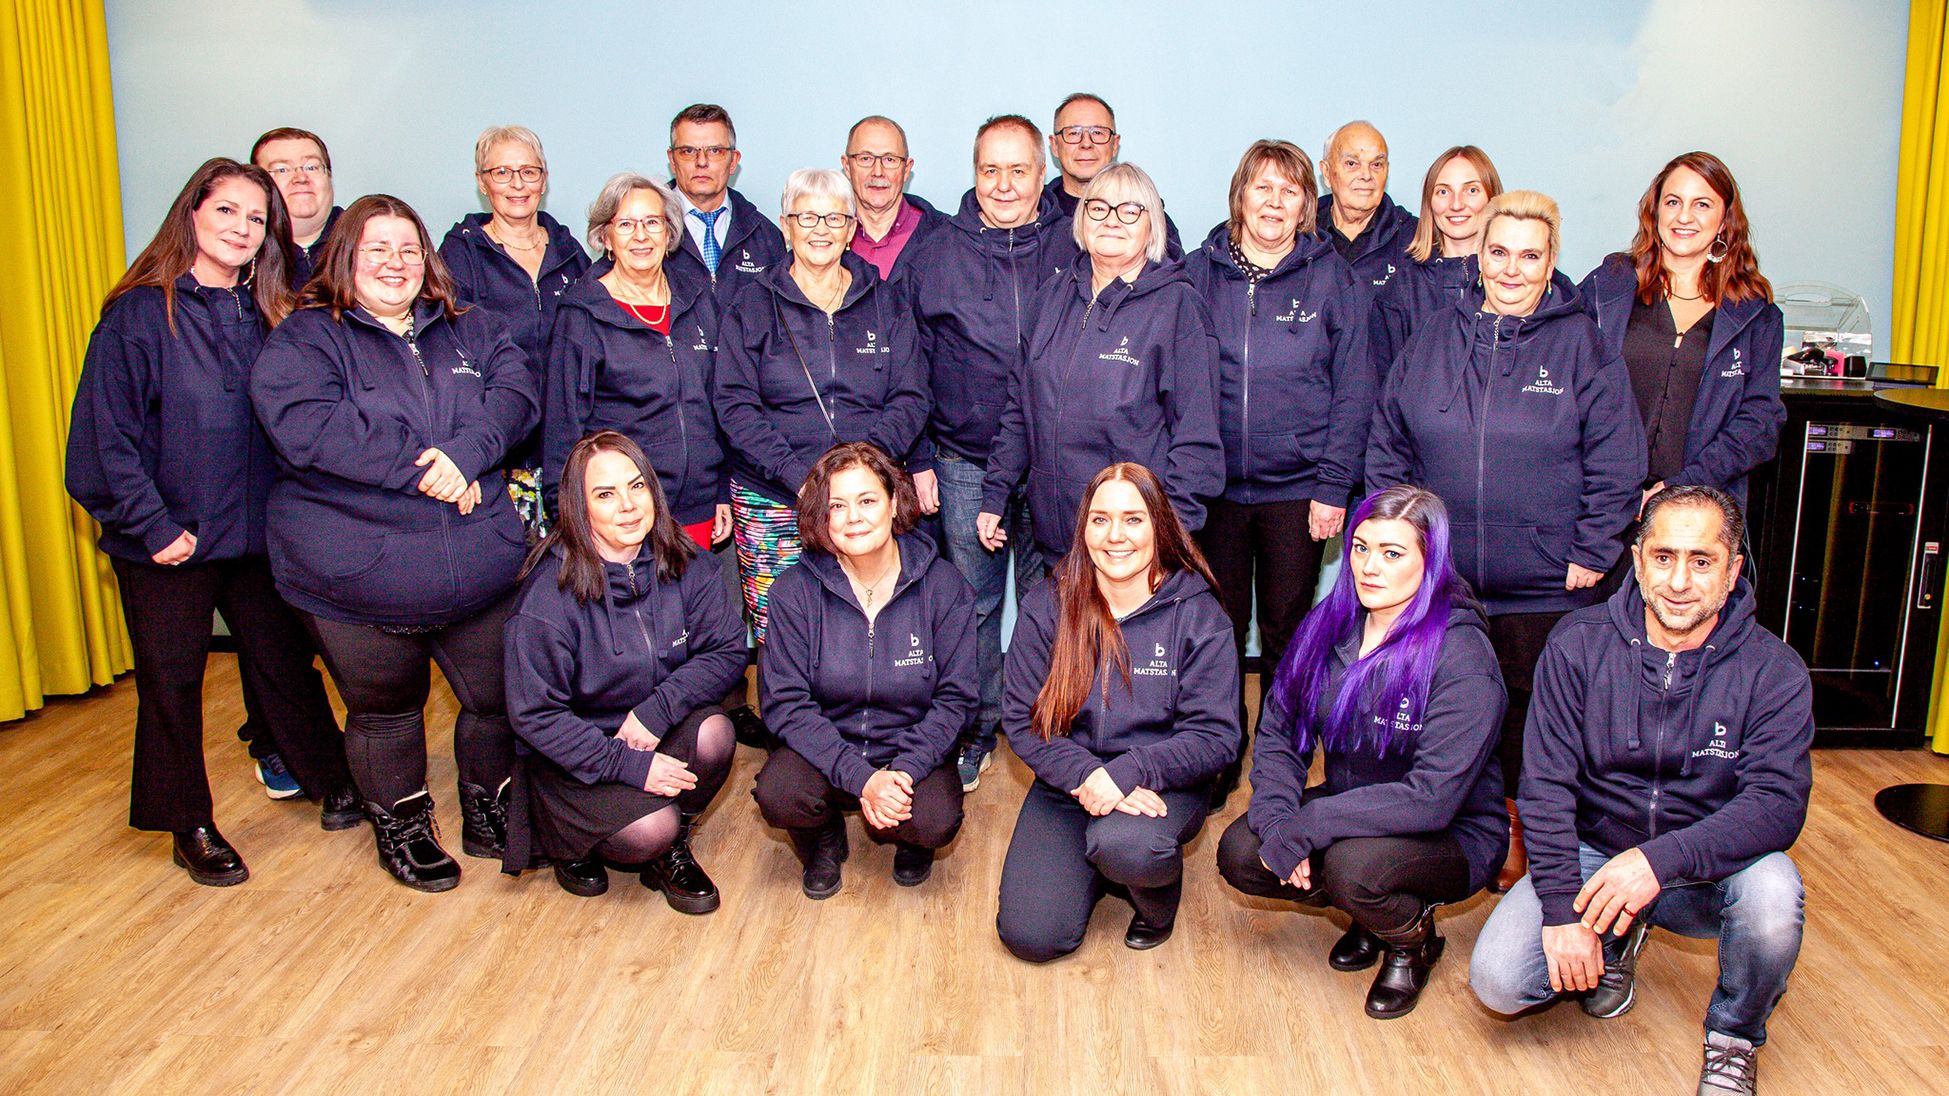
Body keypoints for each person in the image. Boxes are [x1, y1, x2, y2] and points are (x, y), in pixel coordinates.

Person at [65, 157, 356, 886]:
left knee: (284, 665)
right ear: (191, 213)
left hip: (257, 535)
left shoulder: (272, 314)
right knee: (171, 684)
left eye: (257, 218)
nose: (242, 228)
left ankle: (332, 778)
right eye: (227, 210)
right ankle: (187, 821)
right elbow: (103, 441)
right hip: (169, 540)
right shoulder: (139, 314)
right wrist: (154, 527)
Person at [1471, 486, 1812, 1096]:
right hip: (1598, 856)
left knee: (1773, 897)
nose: (1679, 581)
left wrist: (1657, 862)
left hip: (1708, 870)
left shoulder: (1774, 670)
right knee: (1499, 982)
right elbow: (1545, 786)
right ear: (1637, 559)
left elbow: (1776, 805)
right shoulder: (1577, 644)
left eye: (1702, 561)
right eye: (1664, 557)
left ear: (1732, 570)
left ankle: (1734, 1036)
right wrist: (1561, 910)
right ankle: (1616, 936)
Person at [251, 194, 540, 893]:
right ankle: (403, 825)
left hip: (479, 564)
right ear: (345, 257)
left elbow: (517, 398)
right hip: (355, 573)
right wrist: (435, 472)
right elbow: (311, 428)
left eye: (409, 249)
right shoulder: (304, 339)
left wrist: (467, 456)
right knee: (386, 708)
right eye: (376, 248)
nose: (395, 262)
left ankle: (487, 805)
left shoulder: (474, 328)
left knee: (496, 696)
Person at [1366, 189, 1645, 890]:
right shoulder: (1436, 336)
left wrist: (1593, 547)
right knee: (1440, 706)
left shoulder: (1582, 345)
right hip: (1444, 578)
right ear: (1479, 257)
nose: (1511, 270)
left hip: (1546, 581)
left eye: (1529, 256)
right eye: (1498, 253)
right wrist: (1399, 546)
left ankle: (1521, 830)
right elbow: (1389, 440)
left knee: (1529, 715)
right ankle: (1438, 825)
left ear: (1551, 262)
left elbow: (1618, 459)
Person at [1215, 485, 1507, 1019]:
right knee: (1242, 852)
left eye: (1392, 553)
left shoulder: (1463, 653)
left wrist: (1310, 825)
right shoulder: (1329, 625)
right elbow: (1280, 731)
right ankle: (1370, 916)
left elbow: (1431, 798)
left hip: (1453, 830)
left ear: (1430, 560)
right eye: (1361, 548)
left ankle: (1411, 942)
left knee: (1353, 867)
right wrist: (1278, 818)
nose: (1370, 567)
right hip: (1357, 808)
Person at [1182, 139, 1375, 803]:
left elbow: (1354, 391)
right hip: (1213, 489)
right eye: (1261, 187)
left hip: (1298, 490)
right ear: (1239, 197)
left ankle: (1280, 757)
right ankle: (1218, 750)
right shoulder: (1196, 274)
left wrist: (1333, 485)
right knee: (1217, 624)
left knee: (1288, 627)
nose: (1273, 202)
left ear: (1305, 206)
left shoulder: (1334, 281)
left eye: (1288, 191)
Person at [995, 463, 1239, 961]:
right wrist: (1090, 775)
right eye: (1101, 519)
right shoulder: (1048, 604)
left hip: (1162, 782)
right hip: (1070, 780)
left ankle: (1155, 900)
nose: (1115, 536)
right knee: (1032, 937)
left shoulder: (1198, 613)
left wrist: (1128, 772)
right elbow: (1021, 718)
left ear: (1159, 526)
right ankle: (1097, 865)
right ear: (1083, 529)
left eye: (1133, 519)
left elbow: (1215, 736)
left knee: (1127, 847)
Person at [502, 432, 745, 908]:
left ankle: (671, 844)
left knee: (715, 732)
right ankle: (574, 841)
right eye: (605, 494)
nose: (628, 506)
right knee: (649, 829)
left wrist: (656, 712)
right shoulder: (547, 599)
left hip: (651, 729)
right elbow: (535, 716)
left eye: (637, 487)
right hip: (576, 755)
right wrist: (628, 764)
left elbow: (727, 649)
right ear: (579, 508)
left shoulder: (687, 561)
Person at [904, 113, 1069, 791]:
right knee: (972, 606)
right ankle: (975, 728)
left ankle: (1047, 729)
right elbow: (909, 365)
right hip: (964, 464)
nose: (1003, 184)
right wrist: (919, 457)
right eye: (989, 170)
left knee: (1049, 605)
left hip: (1054, 464)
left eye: (1018, 170)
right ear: (973, 173)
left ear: (1041, 173)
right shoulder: (936, 252)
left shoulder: (1072, 243)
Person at [714, 168, 928, 648]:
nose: (820, 230)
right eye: (806, 217)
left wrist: (862, 471)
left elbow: (912, 395)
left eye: (834, 218)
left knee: (865, 629)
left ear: (851, 229)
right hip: (775, 498)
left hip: (866, 500)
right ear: (785, 226)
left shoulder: (885, 301)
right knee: (784, 635)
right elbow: (735, 405)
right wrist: (801, 478)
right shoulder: (751, 306)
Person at [753, 442, 977, 898]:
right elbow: (784, 705)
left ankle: (909, 839)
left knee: (934, 818)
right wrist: (862, 779)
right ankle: (822, 838)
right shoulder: (793, 593)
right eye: (837, 505)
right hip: (826, 750)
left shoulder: (944, 586)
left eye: (867, 500)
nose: (853, 517)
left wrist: (904, 771)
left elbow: (957, 700)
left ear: (894, 503)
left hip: (910, 752)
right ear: (822, 516)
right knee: (779, 792)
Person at [978, 162, 1224, 576]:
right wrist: (995, 492)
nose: (1111, 220)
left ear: (1152, 225)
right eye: (1098, 208)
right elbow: (1020, 408)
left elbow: (1196, 440)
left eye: (1130, 210)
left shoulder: (1178, 309)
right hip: (1056, 540)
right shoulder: (1051, 297)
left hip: (1133, 547)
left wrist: (1170, 535)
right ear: (1081, 218)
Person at [1581, 152, 1785, 514]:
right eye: (1673, 202)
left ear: (1724, 220)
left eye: (1702, 204)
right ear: (1655, 210)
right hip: (1603, 507)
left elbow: (1760, 424)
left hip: (1701, 511)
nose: (1684, 216)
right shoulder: (1608, 286)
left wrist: (1680, 487)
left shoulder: (1756, 314)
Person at [542, 173, 726, 549]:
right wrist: (570, 520)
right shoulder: (582, 314)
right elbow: (563, 425)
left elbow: (719, 402)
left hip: (698, 507)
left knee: (698, 591)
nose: (641, 236)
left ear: (669, 233)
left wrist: (721, 488)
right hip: (623, 515)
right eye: (626, 224)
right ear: (606, 237)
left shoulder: (697, 299)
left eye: (652, 222)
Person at [438, 125, 591, 534]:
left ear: (544, 179)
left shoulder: (571, 253)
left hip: (566, 450)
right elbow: (446, 357)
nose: (517, 184)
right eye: (502, 172)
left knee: (569, 564)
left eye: (529, 171)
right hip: (497, 455)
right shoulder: (459, 256)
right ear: (482, 182)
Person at [1371, 145, 1504, 379]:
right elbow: (1385, 385)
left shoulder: (1516, 282)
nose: (1456, 204)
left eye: (1471, 190)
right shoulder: (1402, 290)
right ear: (1429, 203)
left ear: (1492, 198)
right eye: (1443, 192)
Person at [666, 103, 788, 302]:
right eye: (688, 151)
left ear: (733, 161)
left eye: (715, 151)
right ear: (672, 160)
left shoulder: (766, 237)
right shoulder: (646, 230)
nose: (701, 162)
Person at [1041, 93, 1181, 259]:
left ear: (1114, 144)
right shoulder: (1036, 215)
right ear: (1055, 145)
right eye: (1073, 133)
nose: (1086, 143)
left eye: (1097, 133)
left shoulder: (1148, 217)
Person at [1317, 121, 1417, 295]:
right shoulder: (1299, 234)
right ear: (1326, 172)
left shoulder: (1415, 238)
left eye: (1376, 165)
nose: (1366, 175)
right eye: (1351, 163)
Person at [841, 115, 944, 281]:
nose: (877, 172)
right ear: (847, 166)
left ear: (906, 169)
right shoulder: (824, 235)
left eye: (890, 159)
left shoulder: (946, 236)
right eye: (865, 158)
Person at [251, 126, 341, 285]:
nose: (301, 178)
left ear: (329, 176)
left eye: (311, 167)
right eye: (282, 170)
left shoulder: (365, 239)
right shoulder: (242, 249)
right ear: (257, 184)